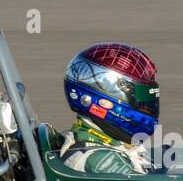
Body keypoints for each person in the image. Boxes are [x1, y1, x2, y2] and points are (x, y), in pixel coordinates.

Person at [60, 43, 159, 174]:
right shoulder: (98, 162)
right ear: (103, 102)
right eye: (140, 102)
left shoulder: (118, 143)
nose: (146, 109)